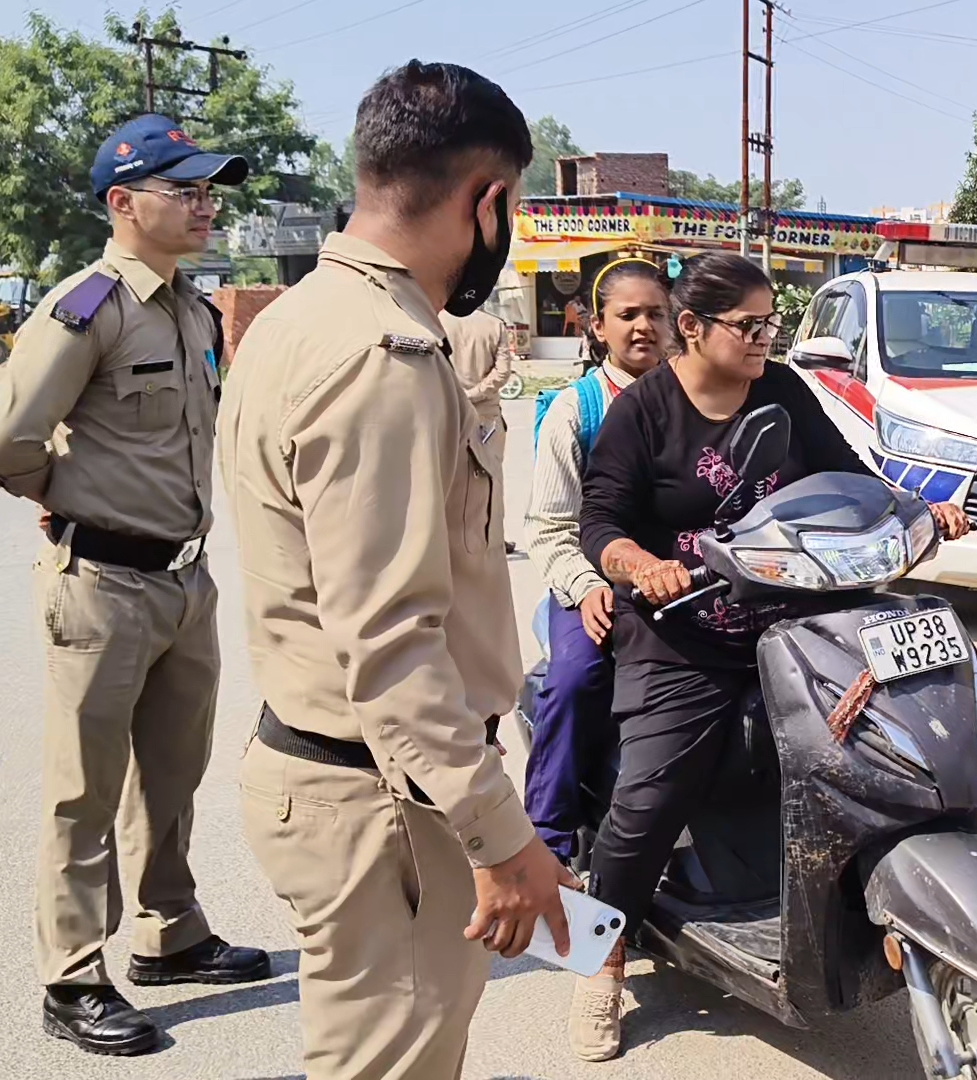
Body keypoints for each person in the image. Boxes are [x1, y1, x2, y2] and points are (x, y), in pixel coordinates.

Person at [219, 61, 575, 1080]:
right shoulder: (385, 355)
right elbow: (392, 646)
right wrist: (500, 837)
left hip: (352, 775)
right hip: (386, 801)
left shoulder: (299, 318)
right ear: (488, 202)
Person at [574, 251, 970, 1056]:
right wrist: (639, 565)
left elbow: (850, 479)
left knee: (885, 743)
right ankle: (597, 958)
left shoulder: (783, 390)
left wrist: (919, 510)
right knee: (650, 797)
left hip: (794, 617)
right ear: (693, 327)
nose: (764, 340)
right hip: (683, 633)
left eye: (770, 325)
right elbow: (600, 521)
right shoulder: (645, 410)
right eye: (747, 326)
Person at [0, 114, 271, 1056]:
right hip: (102, 583)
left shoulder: (192, 309)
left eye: (208, 190)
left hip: (185, 581)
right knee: (84, 793)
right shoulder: (89, 306)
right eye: (184, 190)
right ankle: (71, 978)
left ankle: (169, 932)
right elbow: (6, 442)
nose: (205, 205)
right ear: (123, 202)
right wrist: (62, 496)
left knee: (174, 774)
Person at [524, 258, 671, 864]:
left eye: (655, 313)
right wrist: (586, 586)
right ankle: (547, 842)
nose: (643, 326)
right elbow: (550, 528)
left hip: (688, 581)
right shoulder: (576, 409)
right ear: (598, 326)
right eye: (627, 314)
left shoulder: (703, 395)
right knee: (576, 679)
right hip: (595, 583)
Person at [440, 305, 517, 553]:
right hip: (486, 414)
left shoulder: (436, 319)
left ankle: (448, 539)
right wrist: (475, 393)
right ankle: (494, 537)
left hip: (447, 409)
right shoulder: (494, 325)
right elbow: (502, 372)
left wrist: (457, 395)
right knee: (492, 478)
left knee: (446, 478)